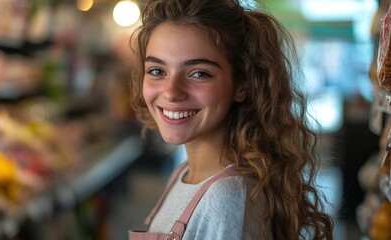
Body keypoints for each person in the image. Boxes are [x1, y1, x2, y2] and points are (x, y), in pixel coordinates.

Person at [128, 0, 334, 239]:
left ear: (241, 85)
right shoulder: (183, 174)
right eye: (157, 71)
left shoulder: (226, 196)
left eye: (199, 73)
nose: (171, 92)